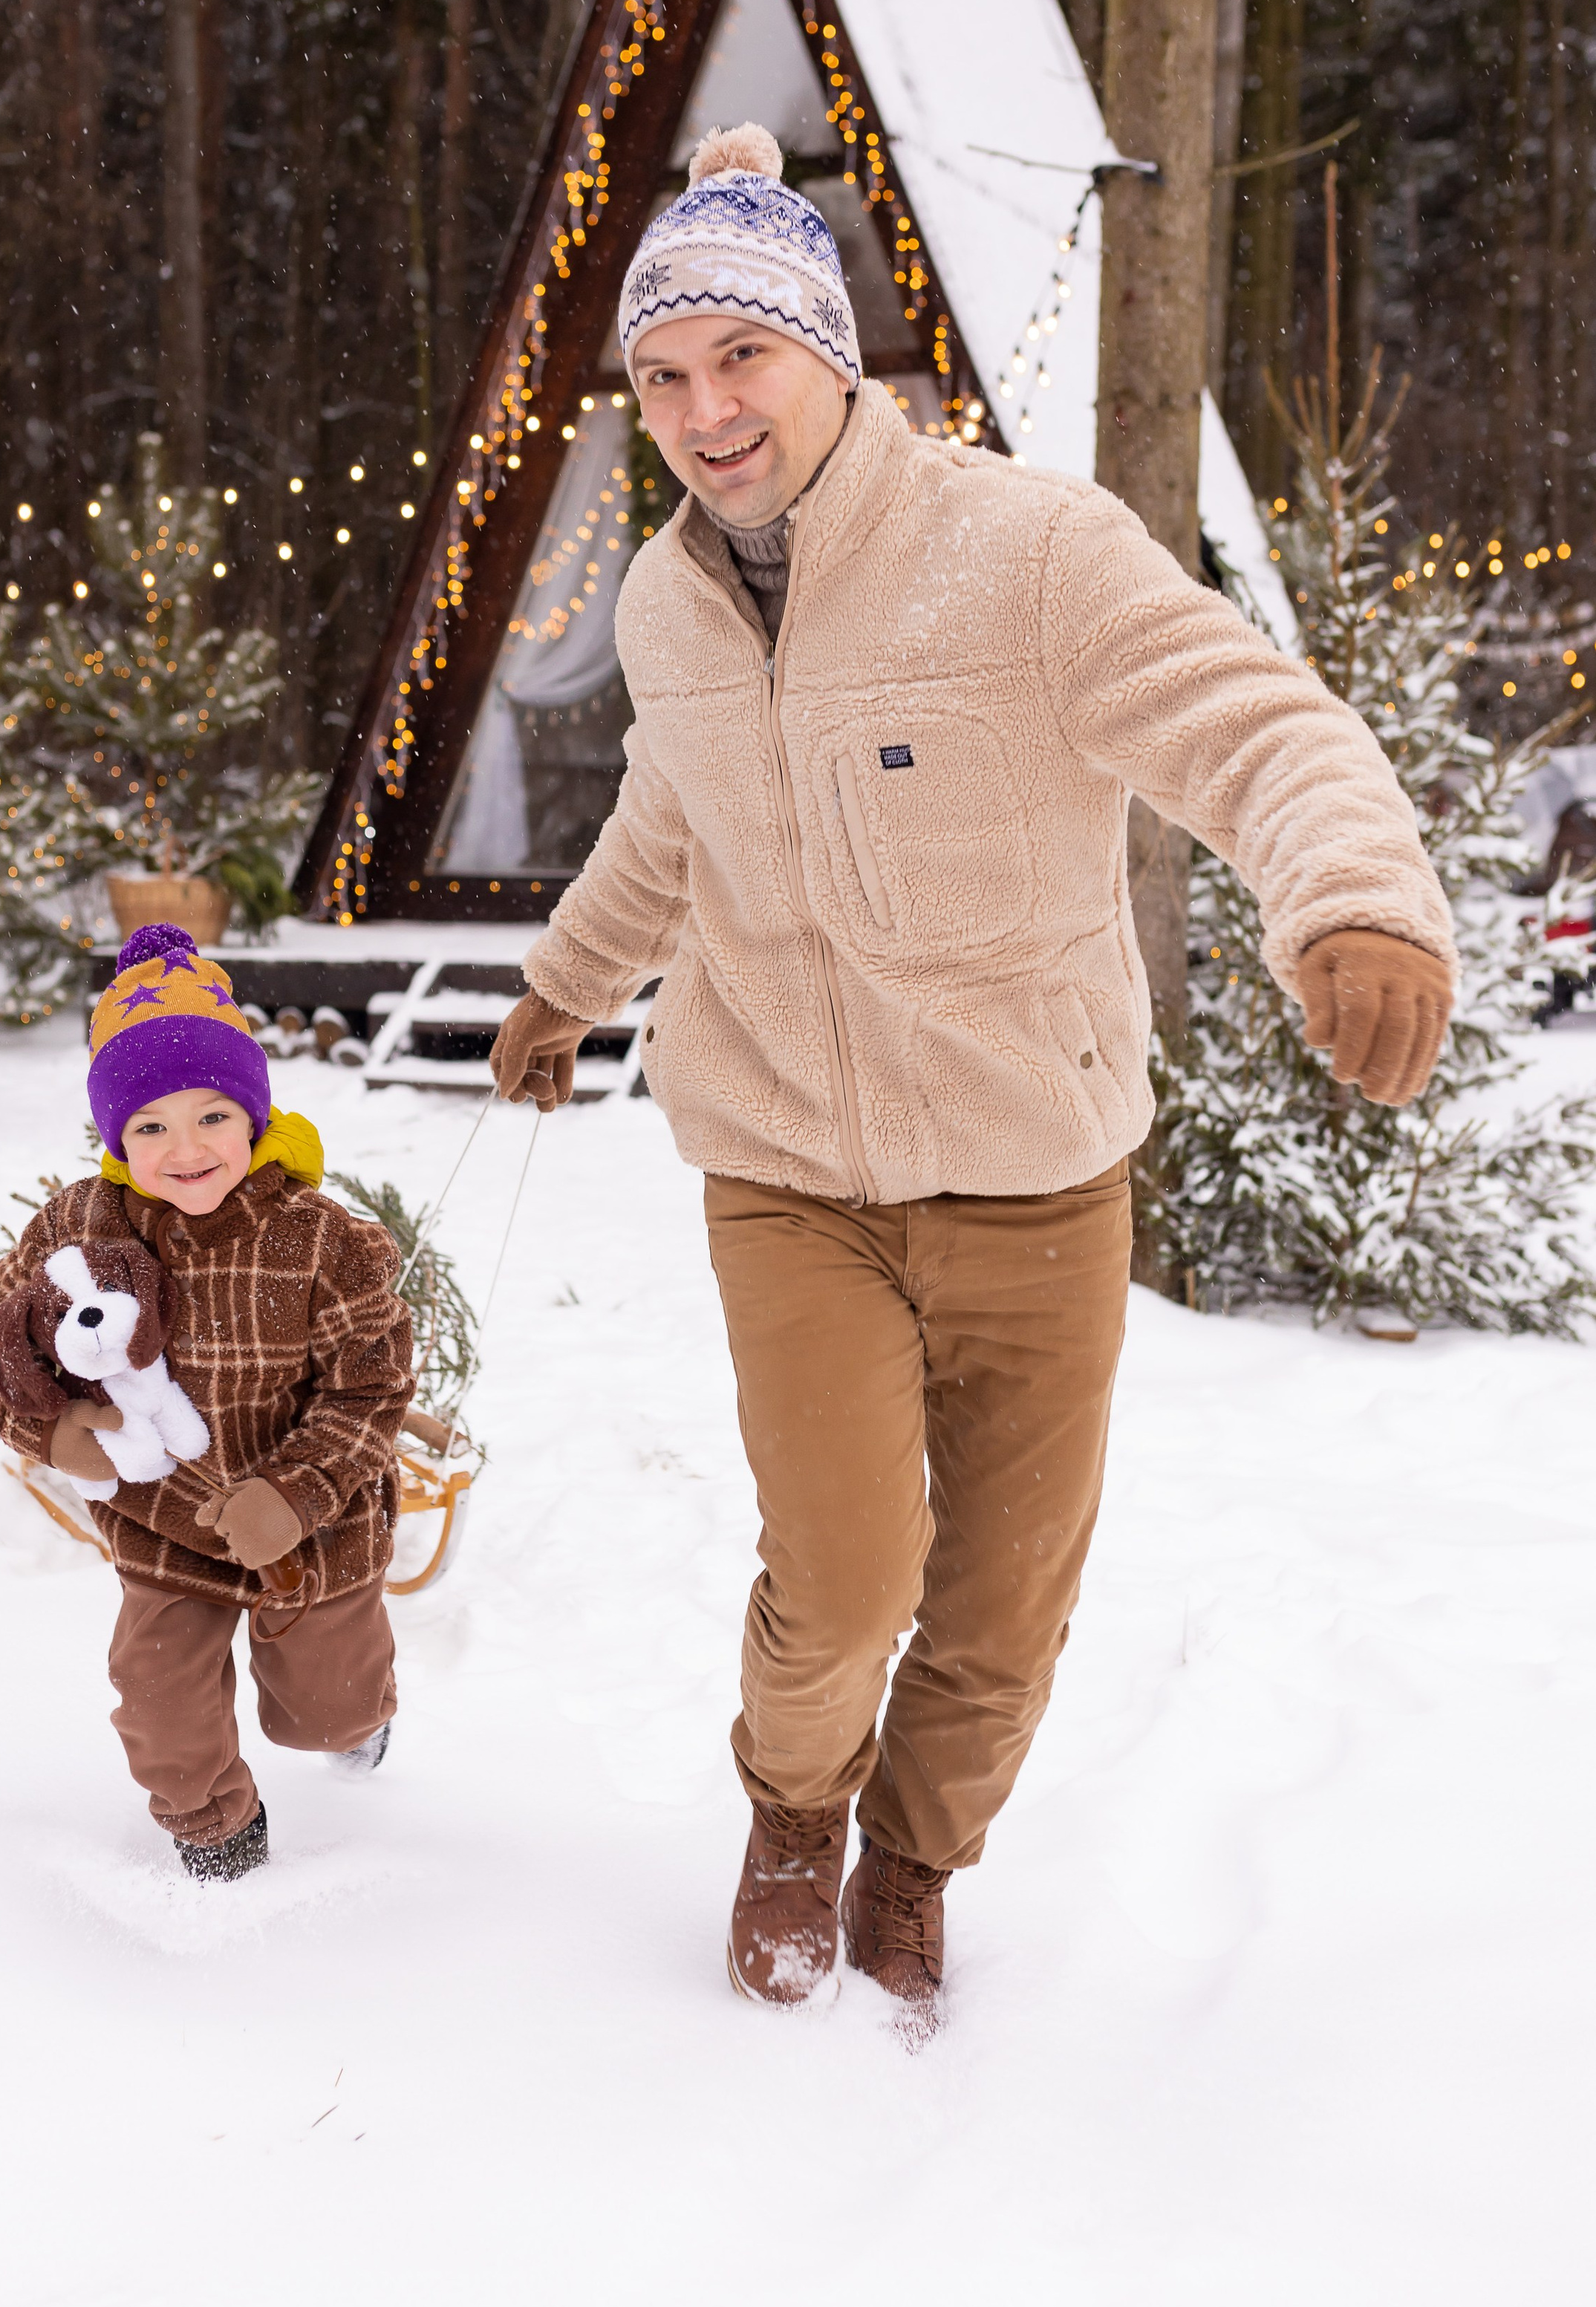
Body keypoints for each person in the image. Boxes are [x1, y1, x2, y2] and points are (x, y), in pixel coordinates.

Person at [491, 122, 1455, 2037]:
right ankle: (789, 1811)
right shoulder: (671, 603)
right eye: (661, 376)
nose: (700, 410)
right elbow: (658, 832)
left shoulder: (1021, 550)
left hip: (1030, 1165)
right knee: (845, 1578)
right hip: (780, 1163)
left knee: (1001, 1607)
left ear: (827, 356)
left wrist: (1352, 896)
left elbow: (1250, 722)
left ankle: (914, 1860)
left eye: (736, 359)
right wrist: (556, 990)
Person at [0, 923, 414, 1880]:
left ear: (254, 1116)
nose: (186, 1147)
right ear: (117, 1140)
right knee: (157, 1694)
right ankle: (217, 1838)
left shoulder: (324, 1242)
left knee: (324, 1704)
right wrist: (49, 1429)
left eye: (212, 1115)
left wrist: (296, 1493)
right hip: (163, 1519)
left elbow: (371, 1391)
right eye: (150, 1127)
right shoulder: (82, 1223)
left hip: (309, 1528)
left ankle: (354, 1727)